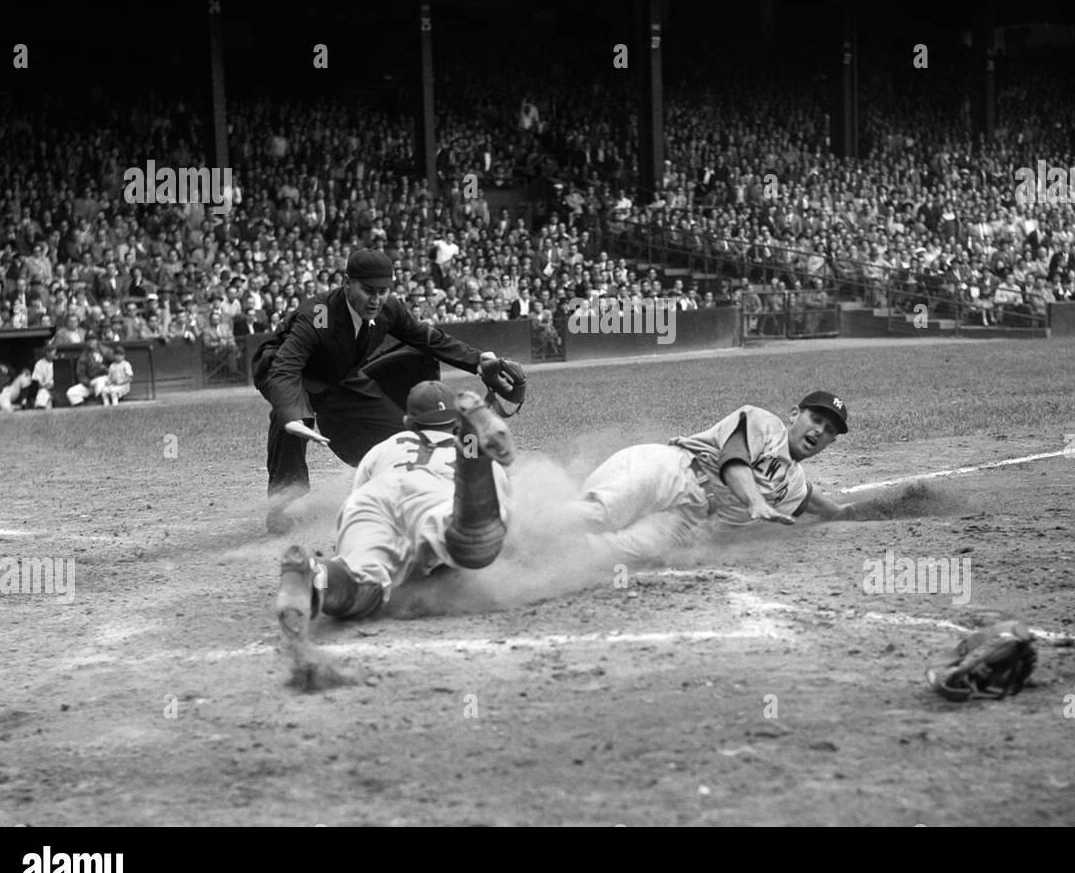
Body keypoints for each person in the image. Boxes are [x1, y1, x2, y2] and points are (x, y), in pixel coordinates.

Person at [252, 248, 526, 536]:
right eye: (368, 290)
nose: (376, 299)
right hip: (289, 369)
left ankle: (415, 489)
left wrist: (477, 362)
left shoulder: (389, 308)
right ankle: (283, 505)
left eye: (383, 291)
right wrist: (290, 413)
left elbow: (427, 337)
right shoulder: (319, 315)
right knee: (292, 420)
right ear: (347, 283)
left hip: (341, 376)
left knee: (401, 434)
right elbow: (287, 364)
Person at [275, 381, 515, 641]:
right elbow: (502, 518)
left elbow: (356, 502)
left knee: (359, 582)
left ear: (408, 423)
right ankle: (474, 460)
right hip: (435, 497)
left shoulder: (384, 448)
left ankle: (314, 573)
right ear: (455, 423)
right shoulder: (461, 446)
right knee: (473, 538)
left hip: (373, 500)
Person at [564, 391, 855, 564]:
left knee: (609, 553)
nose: (819, 431)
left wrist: (843, 513)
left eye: (829, 430)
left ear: (831, 442)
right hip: (669, 472)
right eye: (816, 420)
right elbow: (734, 460)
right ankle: (522, 527)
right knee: (599, 514)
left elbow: (808, 497)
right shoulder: (766, 424)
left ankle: (528, 567)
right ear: (794, 414)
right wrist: (754, 501)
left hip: (687, 522)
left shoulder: (792, 480)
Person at [66, 336, 110, 406]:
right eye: (88, 340)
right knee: (71, 392)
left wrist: (106, 369)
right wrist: (88, 383)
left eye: (93, 339)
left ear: (97, 340)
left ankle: (103, 404)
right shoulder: (84, 355)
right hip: (92, 382)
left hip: (108, 380)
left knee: (100, 381)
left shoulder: (106, 351)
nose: (91, 342)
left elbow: (117, 365)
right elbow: (80, 374)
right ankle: (83, 410)